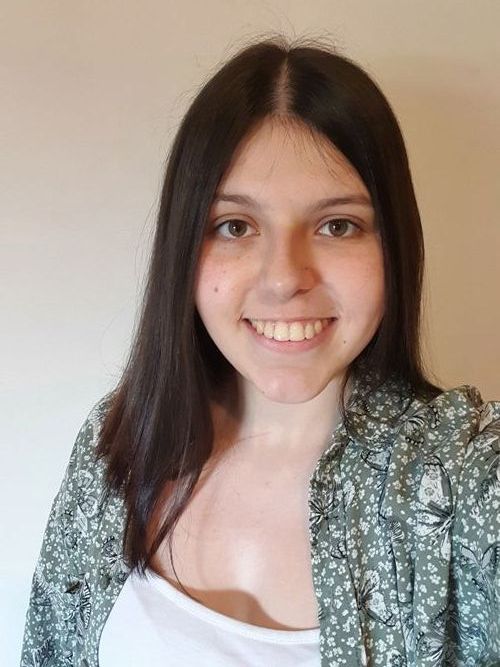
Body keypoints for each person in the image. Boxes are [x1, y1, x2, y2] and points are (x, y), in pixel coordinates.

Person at [21, 34, 499, 667]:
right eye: (235, 226)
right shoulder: (120, 444)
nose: (284, 279)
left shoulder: (465, 474)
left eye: (337, 225)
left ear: (394, 245)